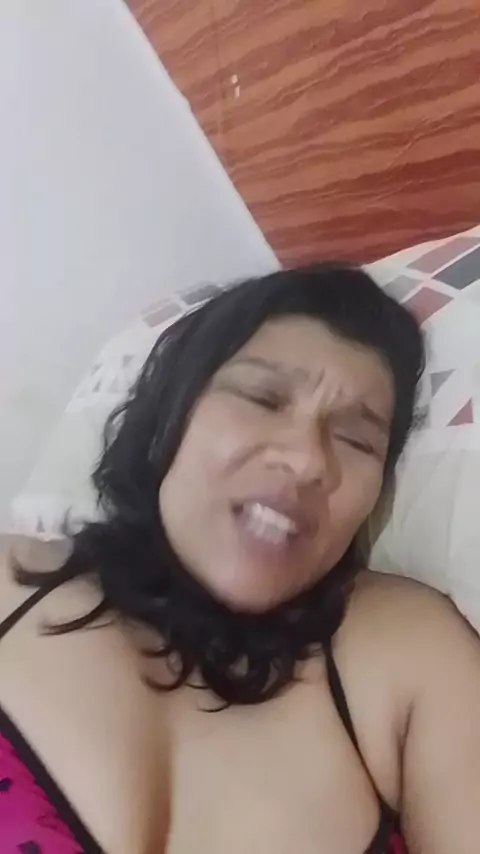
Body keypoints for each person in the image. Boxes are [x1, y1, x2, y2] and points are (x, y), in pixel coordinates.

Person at [1, 264, 479, 854]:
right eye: (262, 398)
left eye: (357, 440)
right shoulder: (11, 586)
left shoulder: (412, 653)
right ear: (170, 416)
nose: (307, 460)